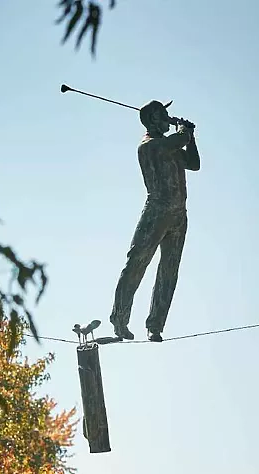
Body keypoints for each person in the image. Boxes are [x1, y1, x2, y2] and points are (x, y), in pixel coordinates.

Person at [110, 99, 200, 343]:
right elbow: (177, 141)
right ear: (153, 119)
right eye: (164, 114)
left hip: (178, 215)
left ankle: (155, 326)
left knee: (169, 272)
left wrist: (191, 137)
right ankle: (120, 320)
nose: (168, 118)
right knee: (137, 263)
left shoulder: (170, 145)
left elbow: (194, 164)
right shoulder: (150, 146)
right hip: (156, 212)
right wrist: (185, 131)